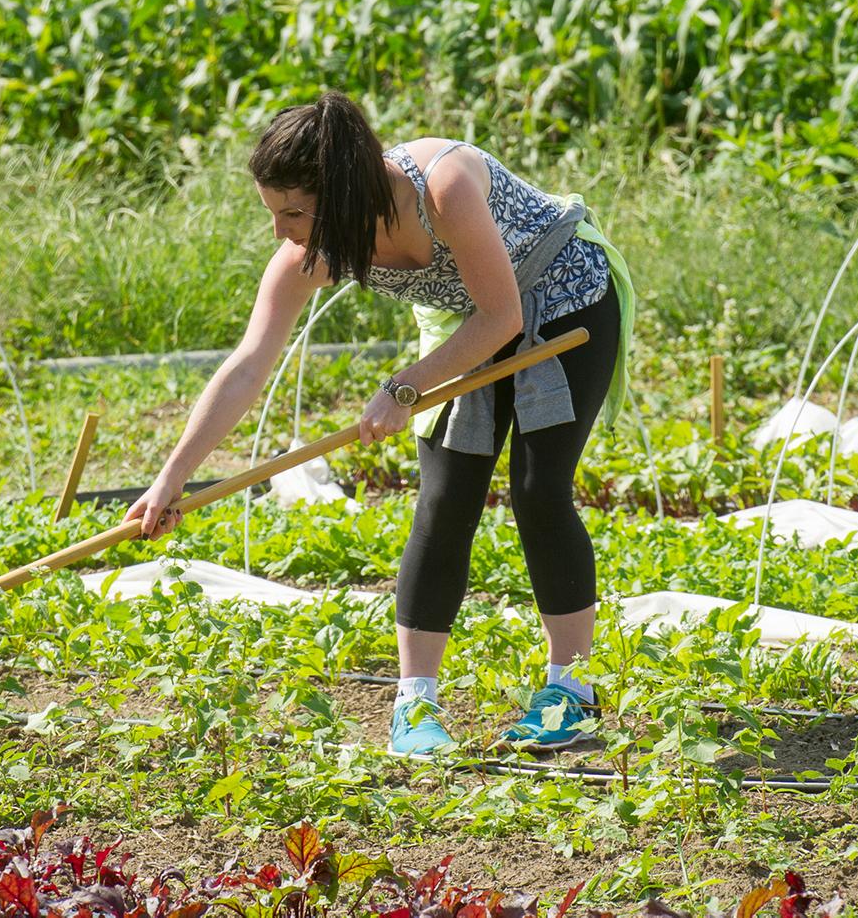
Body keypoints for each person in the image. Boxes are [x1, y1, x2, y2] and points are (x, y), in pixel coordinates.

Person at [128, 92, 634, 756]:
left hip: (562, 293)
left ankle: (571, 690)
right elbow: (248, 364)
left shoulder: (443, 186)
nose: (280, 231)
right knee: (444, 495)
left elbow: (503, 315)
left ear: (341, 192)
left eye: (292, 212)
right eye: (273, 212)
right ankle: (415, 705)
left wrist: (405, 385)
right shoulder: (317, 247)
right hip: (468, 320)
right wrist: (172, 477)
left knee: (538, 489)